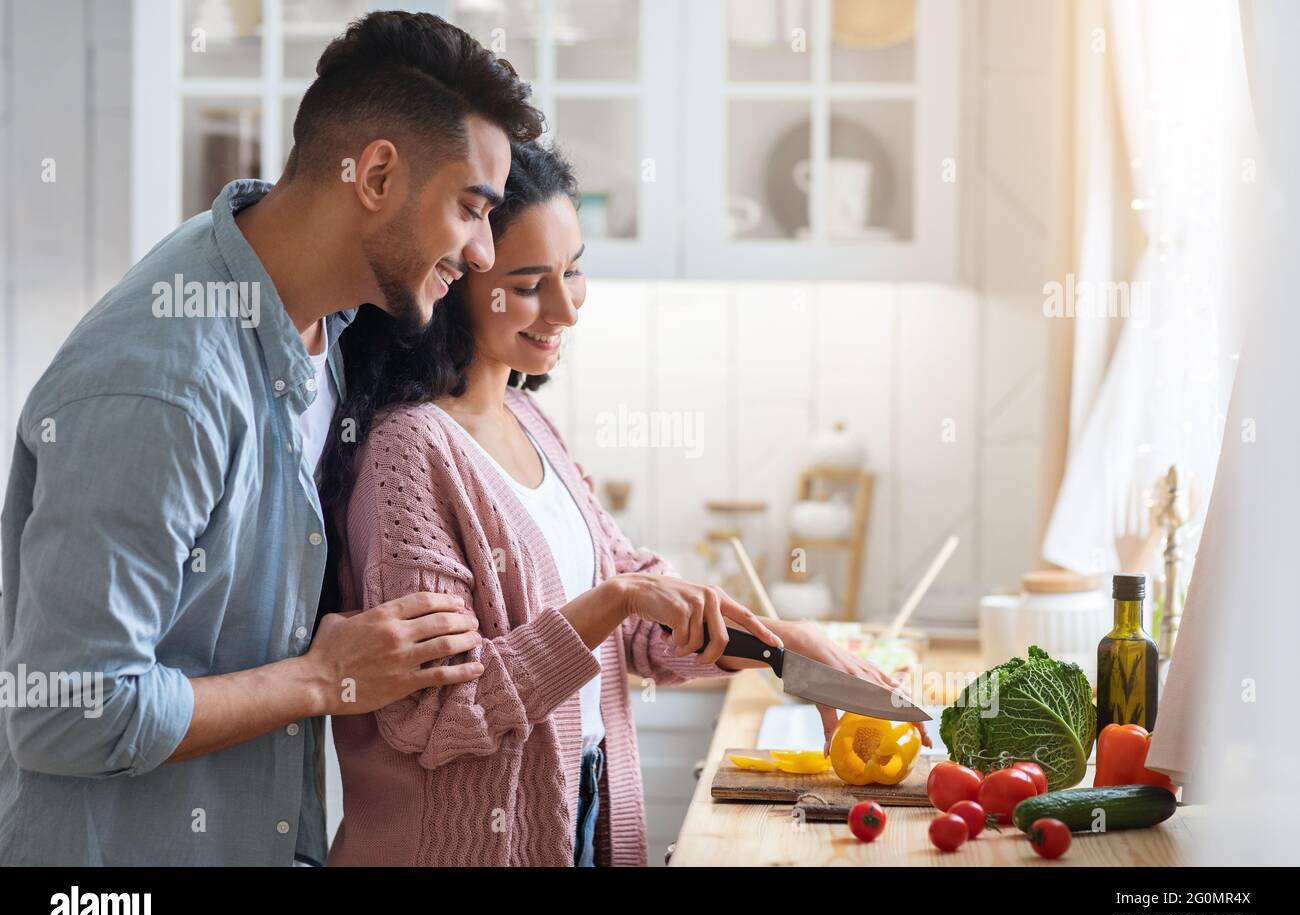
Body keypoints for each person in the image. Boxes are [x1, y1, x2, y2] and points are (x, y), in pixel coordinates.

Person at [0, 11, 541, 866]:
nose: (481, 252)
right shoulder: (163, 385)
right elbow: (68, 712)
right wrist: (323, 680)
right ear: (375, 174)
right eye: (470, 210)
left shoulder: (317, 321)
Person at [320, 141, 920, 866]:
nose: (567, 308)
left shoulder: (525, 419)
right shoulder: (406, 451)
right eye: (531, 282)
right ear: (455, 282)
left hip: (582, 804)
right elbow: (437, 714)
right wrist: (617, 600)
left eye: (574, 271)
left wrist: (785, 643)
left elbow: (640, 629)